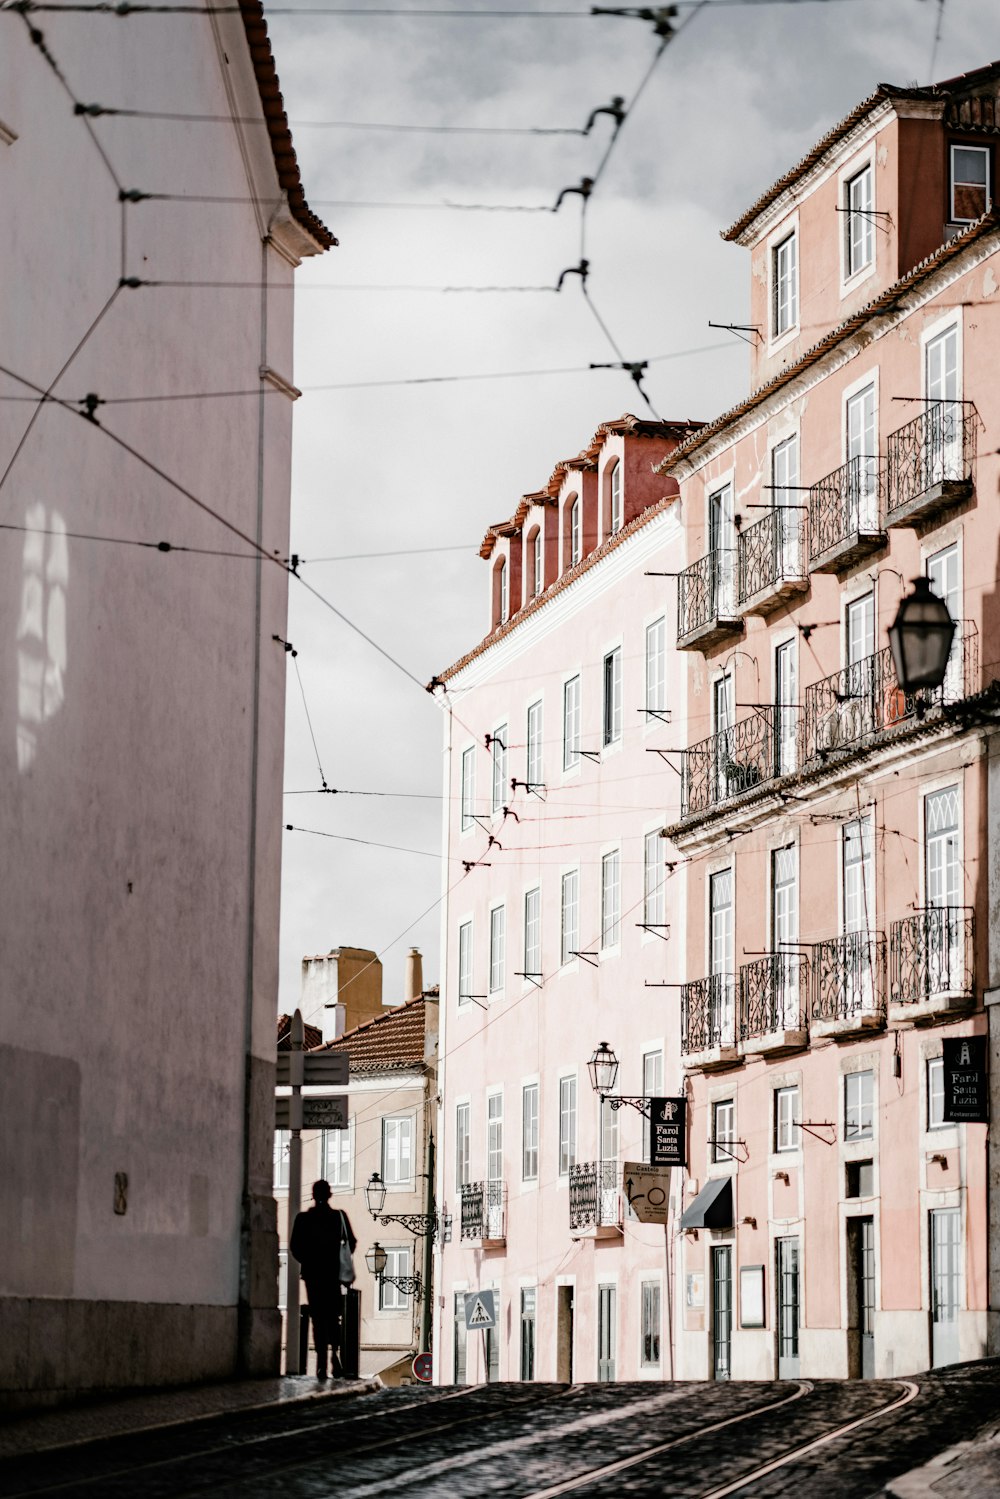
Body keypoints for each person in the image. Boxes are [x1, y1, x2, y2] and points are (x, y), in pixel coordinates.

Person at [290, 1179, 357, 1379]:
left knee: (318, 1318)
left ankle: (321, 1362)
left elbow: (295, 1247)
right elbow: (351, 1242)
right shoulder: (338, 1217)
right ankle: (334, 1356)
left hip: (313, 1276)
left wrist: (309, 1260)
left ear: (313, 1195)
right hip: (333, 1276)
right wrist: (337, 1259)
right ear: (329, 1195)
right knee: (333, 1316)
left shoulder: (303, 1219)